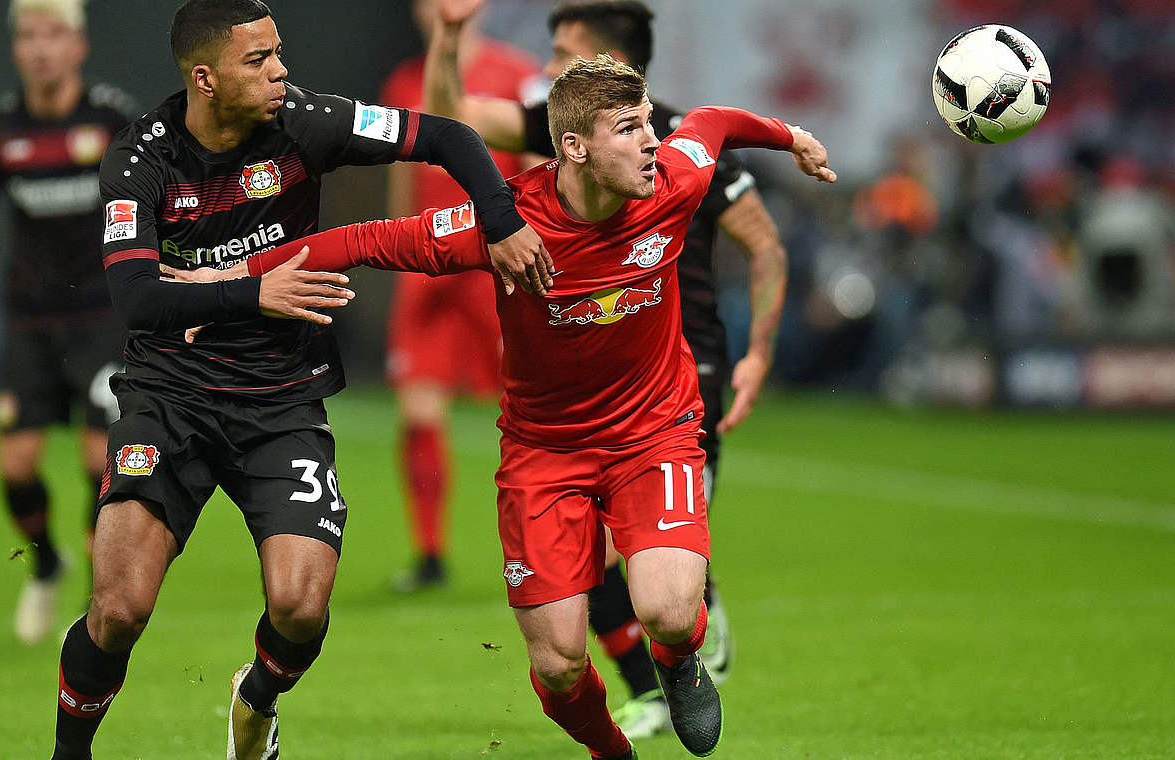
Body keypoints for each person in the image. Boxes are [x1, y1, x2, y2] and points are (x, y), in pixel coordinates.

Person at [174, 54, 835, 759]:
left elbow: (712, 123)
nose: (652, 141)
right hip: (544, 454)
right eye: (629, 129)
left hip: (655, 431)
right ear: (574, 148)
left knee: (670, 612)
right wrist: (234, 275)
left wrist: (788, 135)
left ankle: (677, 663)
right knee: (558, 664)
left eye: (648, 124)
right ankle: (614, 752)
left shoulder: (672, 180)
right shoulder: (507, 225)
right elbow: (363, 240)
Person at [48, 1, 550, 758]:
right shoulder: (140, 156)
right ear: (205, 78)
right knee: (117, 610)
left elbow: (446, 134)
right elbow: (136, 298)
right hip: (169, 399)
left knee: (300, 608)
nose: (281, 70)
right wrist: (258, 291)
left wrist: (502, 217)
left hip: (281, 401)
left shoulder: (308, 121)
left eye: (279, 53)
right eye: (259, 61)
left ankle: (256, 700)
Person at [423, 0, 791, 736]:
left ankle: (683, 647)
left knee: (645, 562)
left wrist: (757, 355)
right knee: (576, 568)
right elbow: (451, 118)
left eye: (562, 51)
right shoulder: (560, 128)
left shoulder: (677, 144)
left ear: (615, 62)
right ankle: (650, 680)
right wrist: (451, 37)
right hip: (577, 380)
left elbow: (766, 246)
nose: (547, 67)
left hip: (679, 372)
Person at [0, 0, 137, 646]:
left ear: (78, 45)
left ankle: (93, 605)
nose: (41, 47)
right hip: (29, 322)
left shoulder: (111, 119)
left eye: (54, 34)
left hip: (104, 317)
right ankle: (46, 562)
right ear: (16, 49)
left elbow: (159, 198)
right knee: (17, 464)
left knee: (99, 457)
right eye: (28, 36)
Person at [378, 0, 542, 591]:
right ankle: (430, 555)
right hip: (426, 266)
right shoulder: (402, 81)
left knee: (530, 410)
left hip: (491, 265)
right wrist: (394, 251)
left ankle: (544, 545)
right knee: (418, 412)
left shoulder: (515, 73)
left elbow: (531, 162)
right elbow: (400, 170)